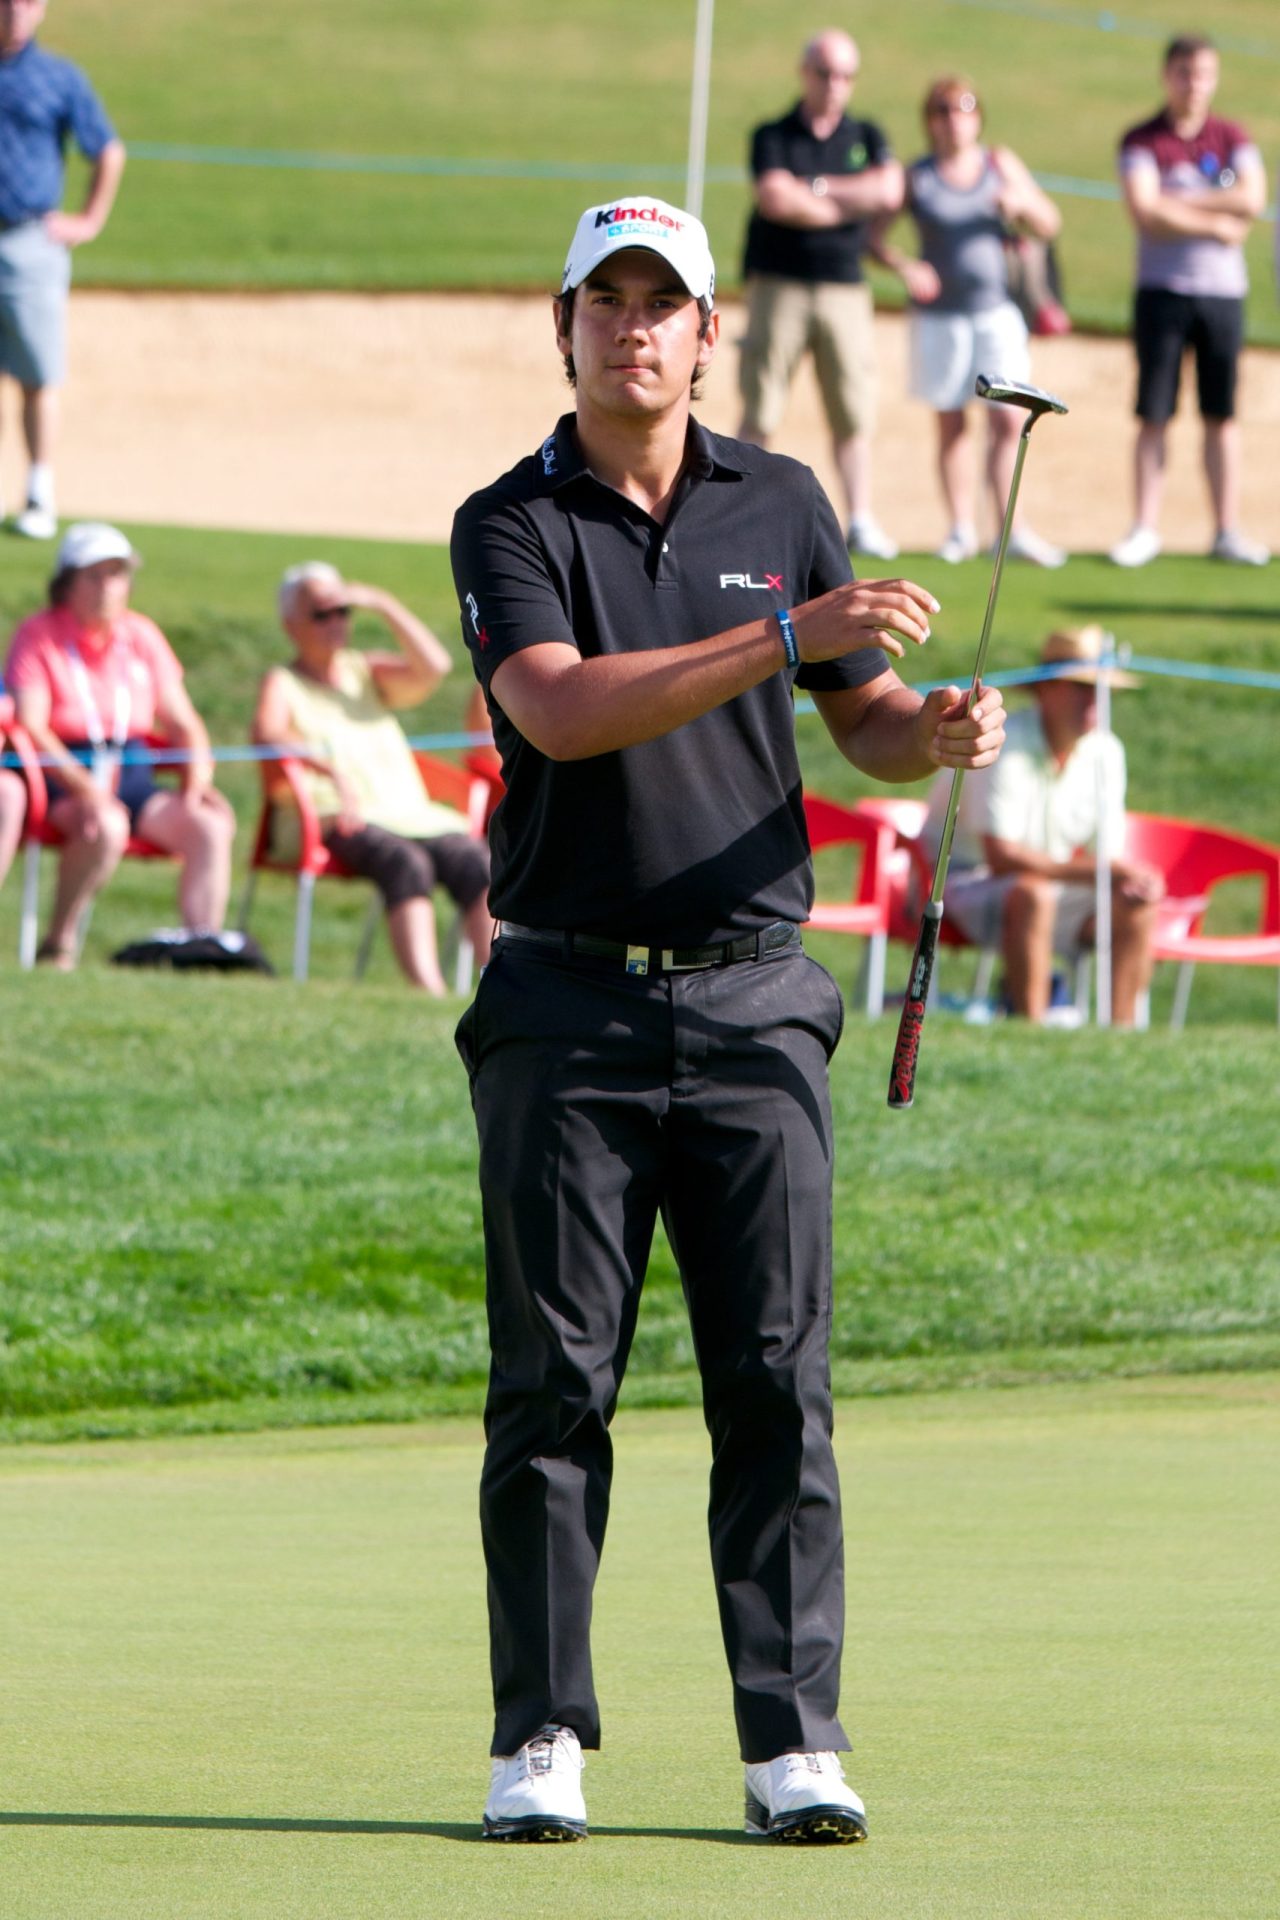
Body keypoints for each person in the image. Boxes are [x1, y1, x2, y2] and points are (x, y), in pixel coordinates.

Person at [450, 192, 1006, 1844]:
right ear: (566, 328)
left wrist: (935, 731)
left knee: (776, 1376)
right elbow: (555, 711)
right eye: (606, 301)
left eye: (663, 303)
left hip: (758, 1000)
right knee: (555, 1385)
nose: (635, 327)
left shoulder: (786, 498)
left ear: (708, 334)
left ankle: (790, 1744)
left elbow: (871, 727)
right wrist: (781, 634)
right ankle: (540, 1737)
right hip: (566, 1005)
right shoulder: (514, 520)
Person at [251, 563, 493, 995]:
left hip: (406, 814)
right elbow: (267, 735)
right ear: (291, 625)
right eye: (321, 615)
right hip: (331, 818)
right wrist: (331, 774)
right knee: (405, 862)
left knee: (475, 860)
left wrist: (382, 603)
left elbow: (434, 666)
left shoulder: (363, 672)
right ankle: (429, 993)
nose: (336, 624)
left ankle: (500, 982)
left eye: (343, 612)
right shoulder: (284, 681)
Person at [4, 522, 235, 967]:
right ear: (67, 583)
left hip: (132, 777)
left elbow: (184, 721)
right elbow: (32, 726)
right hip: (61, 781)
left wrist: (198, 777)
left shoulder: (142, 636)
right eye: (95, 575)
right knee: (105, 826)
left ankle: (201, 950)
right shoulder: (38, 635)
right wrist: (85, 789)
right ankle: (59, 945)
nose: (108, 588)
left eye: (118, 574)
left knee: (209, 825)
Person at [923, 626, 1164, 1026]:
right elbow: (1002, 858)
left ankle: (1122, 1040)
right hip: (954, 887)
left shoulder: (1108, 751)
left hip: (1041, 889)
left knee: (1134, 903)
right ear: (1045, 689)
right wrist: (1113, 871)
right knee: (1034, 894)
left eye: (1102, 688)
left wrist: (1130, 880)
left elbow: (1106, 858)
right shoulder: (1004, 741)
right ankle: (1032, 1031)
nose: (1094, 699)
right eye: (1080, 685)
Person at [870, 75, 1066, 568]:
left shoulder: (999, 165)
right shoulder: (918, 176)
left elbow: (1049, 221)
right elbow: (873, 237)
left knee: (1007, 418)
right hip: (941, 318)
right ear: (929, 120)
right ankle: (960, 528)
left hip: (997, 312)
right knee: (952, 421)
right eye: (943, 110)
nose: (954, 119)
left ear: (977, 117)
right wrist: (907, 267)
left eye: (963, 108)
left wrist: (1019, 205)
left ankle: (1009, 529)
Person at [738, 29, 902, 561]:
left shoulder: (867, 134)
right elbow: (775, 198)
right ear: (805, 73)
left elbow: (888, 190)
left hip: (844, 287)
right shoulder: (774, 133)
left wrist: (816, 188)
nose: (835, 85)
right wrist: (845, 201)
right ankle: (738, 511)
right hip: (778, 282)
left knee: (852, 410)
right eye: (826, 73)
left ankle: (861, 518)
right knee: (762, 401)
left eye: (845, 75)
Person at [1110, 34, 1268, 569]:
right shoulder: (1142, 139)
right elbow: (1145, 209)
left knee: (1220, 415)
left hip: (1223, 294)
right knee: (1154, 412)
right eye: (1184, 72)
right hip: (1163, 292)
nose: (1193, 83)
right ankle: (1144, 528)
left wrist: (1179, 202)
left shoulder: (1232, 136)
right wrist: (1216, 220)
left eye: (1202, 73)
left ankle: (1225, 529)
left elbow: (1253, 197)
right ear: (1167, 75)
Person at [0, 0, 126, 540]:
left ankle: (39, 494)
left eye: (23, 1)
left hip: (30, 241)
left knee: (37, 375)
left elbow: (107, 150)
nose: (12, 11)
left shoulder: (57, 77)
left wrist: (89, 220)